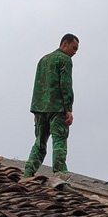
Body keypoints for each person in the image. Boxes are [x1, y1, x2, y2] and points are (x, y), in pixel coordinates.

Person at [22, 33, 79, 178]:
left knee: (39, 143)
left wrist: (35, 111)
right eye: (74, 48)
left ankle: (28, 172)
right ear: (64, 44)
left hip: (41, 108)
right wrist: (69, 109)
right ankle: (59, 173)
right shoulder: (64, 59)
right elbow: (65, 84)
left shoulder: (43, 60)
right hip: (58, 108)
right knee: (59, 139)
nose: (75, 52)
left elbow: (37, 85)